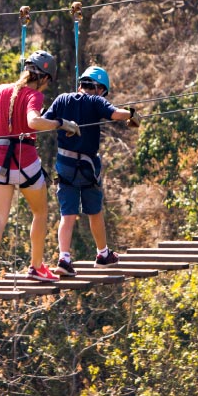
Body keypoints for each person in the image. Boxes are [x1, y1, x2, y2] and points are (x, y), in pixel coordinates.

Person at [0, 50, 81, 287]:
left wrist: (0, 126)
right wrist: (61, 124)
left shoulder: (1, 89)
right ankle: (36, 267)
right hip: (25, 164)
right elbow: (34, 121)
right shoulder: (34, 96)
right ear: (44, 78)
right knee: (40, 213)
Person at [41, 65, 139, 276]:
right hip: (87, 167)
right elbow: (115, 114)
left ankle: (64, 258)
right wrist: (132, 113)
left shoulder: (61, 99)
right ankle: (103, 254)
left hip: (64, 166)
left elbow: (45, 121)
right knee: (94, 211)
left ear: (81, 84)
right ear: (99, 88)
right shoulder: (96, 100)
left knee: (67, 215)